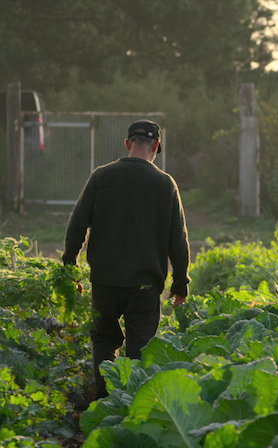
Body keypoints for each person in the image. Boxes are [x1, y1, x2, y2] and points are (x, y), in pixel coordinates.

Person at [62, 119, 190, 400]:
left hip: (105, 282)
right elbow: (177, 241)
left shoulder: (102, 176)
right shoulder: (165, 184)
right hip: (145, 286)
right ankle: (129, 406)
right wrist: (180, 284)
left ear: (127, 144)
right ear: (157, 146)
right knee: (140, 350)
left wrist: (70, 266)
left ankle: (104, 400)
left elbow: (77, 224)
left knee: (105, 341)